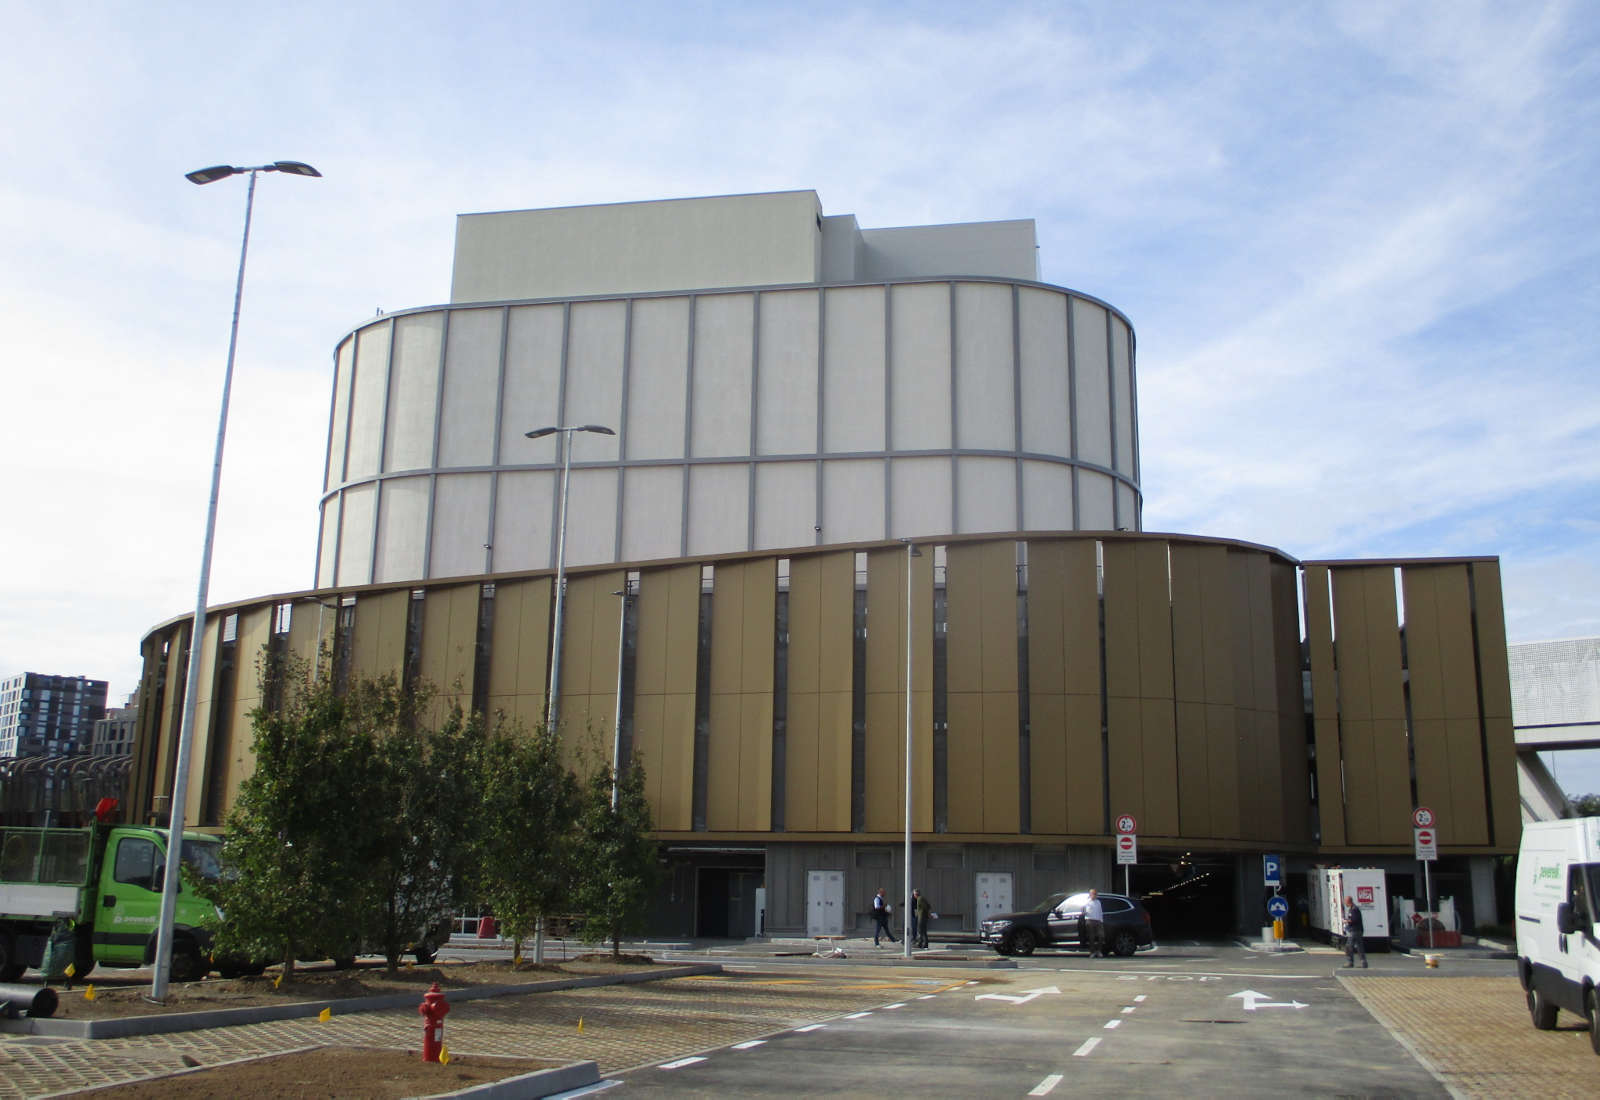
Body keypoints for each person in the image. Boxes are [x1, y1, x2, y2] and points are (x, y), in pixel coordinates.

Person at [1343, 896, 1368, 968]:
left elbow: (1354, 920)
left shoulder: (1354, 909)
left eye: (1345, 902)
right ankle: (1364, 963)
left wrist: (1346, 921)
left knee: (1348, 946)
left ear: (1348, 901)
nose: (1345, 903)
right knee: (1359, 947)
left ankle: (1350, 962)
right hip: (1358, 930)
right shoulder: (1353, 909)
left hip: (1355, 931)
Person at [1082, 888, 1106, 958]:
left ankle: (1099, 951)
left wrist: (1101, 921)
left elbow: (1100, 912)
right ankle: (1092, 952)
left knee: (1101, 936)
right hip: (1090, 920)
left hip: (1098, 921)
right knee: (1091, 937)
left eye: (1095, 894)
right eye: (1093, 894)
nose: (1094, 895)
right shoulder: (1086, 902)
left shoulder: (1098, 902)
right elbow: (1083, 911)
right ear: (1090, 894)